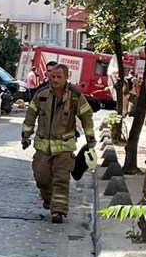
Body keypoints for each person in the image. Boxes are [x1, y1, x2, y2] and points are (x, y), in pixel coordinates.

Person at [21, 64, 94, 223]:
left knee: (61, 179)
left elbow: (86, 116)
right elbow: (30, 115)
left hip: (64, 147)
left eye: (59, 77)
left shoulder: (75, 96)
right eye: (52, 76)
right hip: (43, 147)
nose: (55, 80)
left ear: (66, 77)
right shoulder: (41, 94)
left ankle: (58, 211)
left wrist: (90, 138)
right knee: (41, 176)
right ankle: (47, 197)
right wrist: (26, 135)